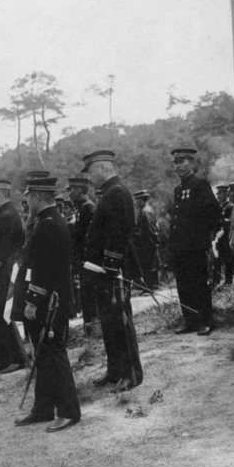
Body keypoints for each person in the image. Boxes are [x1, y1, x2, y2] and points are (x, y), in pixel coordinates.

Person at [13, 177, 81, 432]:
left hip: (49, 304)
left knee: (54, 356)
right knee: (43, 357)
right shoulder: (47, 221)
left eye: (28, 198)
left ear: (36, 197)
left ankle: (69, 411)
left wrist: (33, 300)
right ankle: (43, 408)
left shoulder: (49, 224)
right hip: (46, 302)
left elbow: (44, 268)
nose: (27, 203)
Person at [82, 150, 143, 392]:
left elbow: (119, 233)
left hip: (113, 270)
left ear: (102, 168)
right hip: (104, 270)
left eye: (90, 172)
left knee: (120, 322)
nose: (89, 178)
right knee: (109, 323)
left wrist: (111, 264)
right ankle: (115, 370)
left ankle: (130, 374)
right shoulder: (110, 192)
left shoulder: (117, 192)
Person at [168, 148, 222, 336]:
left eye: (181, 162)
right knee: (183, 285)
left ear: (191, 163)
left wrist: (206, 234)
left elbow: (214, 211)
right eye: (175, 163)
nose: (177, 167)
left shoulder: (199, 185)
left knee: (199, 283)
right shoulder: (178, 190)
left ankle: (205, 321)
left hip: (196, 246)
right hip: (180, 246)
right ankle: (190, 321)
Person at [0, 178, 29, 374]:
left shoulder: (8, 216)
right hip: (3, 273)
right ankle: (5, 359)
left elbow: (1, 250)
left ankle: (17, 359)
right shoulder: (3, 215)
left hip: (8, 273)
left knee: (4, 315)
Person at [67, 176, 98, 333]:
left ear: (79, 190)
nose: (69, 194)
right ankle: (90, 326)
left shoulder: (88, 208)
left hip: (88, 260)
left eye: (71, 190)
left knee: (89, 294)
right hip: (83, 259)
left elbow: (89, 237)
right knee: (85, 294)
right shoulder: (82, 207)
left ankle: (93, 327)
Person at [133, 189, 160, 291]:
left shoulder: (144, 211)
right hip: (150, 243)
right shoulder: (149, 209)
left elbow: (148, 230)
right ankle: (152, 287)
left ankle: (149, 288)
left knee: (148, 266)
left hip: (147, 243)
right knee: (151, 266)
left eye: (136, 200)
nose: (135, 202)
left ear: (141, 200)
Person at [211, 184, 234, 289]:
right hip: (217, 238)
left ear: (226, 194)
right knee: (216, 260)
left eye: (220, 193)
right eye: (217, 194)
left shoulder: (230, 206)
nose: (218, 196)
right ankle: (216, 281)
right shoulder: (218, 207)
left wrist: (224, 222)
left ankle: (228, 282)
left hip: (226, 237)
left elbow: (232, 222)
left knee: (228, 259)